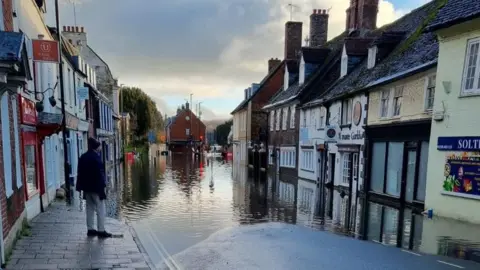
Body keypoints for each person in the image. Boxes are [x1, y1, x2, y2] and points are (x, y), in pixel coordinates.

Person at [76, 138, 112, 238]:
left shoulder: (83, 157)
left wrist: (80, 187)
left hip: (86, 188)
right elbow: (100, 175)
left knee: (89, 208)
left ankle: (90, 229)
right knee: (101, 208)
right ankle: (101, 230)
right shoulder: (96, 158)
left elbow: (80, 173)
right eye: (99, 146)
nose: (100, 148)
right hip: (96, 188)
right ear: (96, 147)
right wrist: (103, 189)